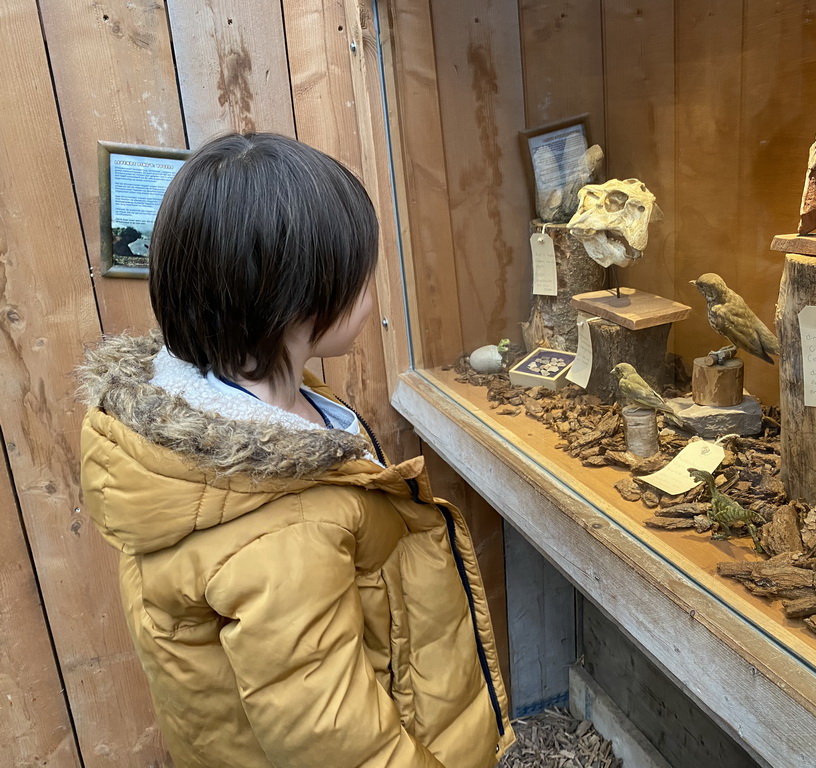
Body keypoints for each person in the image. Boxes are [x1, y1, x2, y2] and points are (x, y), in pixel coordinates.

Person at [78, 133, 513, 768]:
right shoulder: (275, 531)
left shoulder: (235, 411)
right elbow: (338, 745)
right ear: (295, 303)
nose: (370, 294)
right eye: (358, 279)